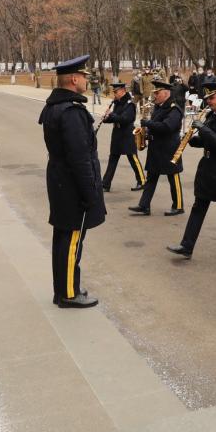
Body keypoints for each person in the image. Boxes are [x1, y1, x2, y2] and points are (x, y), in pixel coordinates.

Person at [38, 55, 105, 308]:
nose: (88, 81)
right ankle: (68, 293)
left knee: (63, 236)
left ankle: (65, 288)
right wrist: (90, 193)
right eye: (85, 77)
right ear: (74, 79)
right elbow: (80, 159)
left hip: (60, 180)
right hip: (72, 184)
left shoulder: (56, 107)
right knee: (72, 239)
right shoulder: (72, 112)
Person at [166, 82, 216, 260]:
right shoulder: (211, 115)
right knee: (198, 207)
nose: (209, 101)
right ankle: (186, 245)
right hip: (208, 167)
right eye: (207, 98)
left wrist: (203, 129)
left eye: (212, 98)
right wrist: (190, 139)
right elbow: (207, 140)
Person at [128, 80, 185, 216]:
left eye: (157, 93)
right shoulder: (159, 107)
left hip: (169, 149)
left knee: (173, 176)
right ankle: (144, 205)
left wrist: (148, 123)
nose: (155, 96)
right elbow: (156, 126)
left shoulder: (174, 109)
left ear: (166, 93)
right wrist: (146, 133)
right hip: (156, 147)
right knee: (151, 177)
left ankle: (178, 206)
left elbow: (167, 127)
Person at [100, 81, 147, 191]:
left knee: (133, 158)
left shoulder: (129, 104)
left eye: (116, 92)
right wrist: (106, 118)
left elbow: (126, 119)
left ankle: (142, 181)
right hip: (117, 134)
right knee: (113, 158)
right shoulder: (118, 102)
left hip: (127, 134)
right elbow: (115, 118)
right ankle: (105, 184)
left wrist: (112, 114)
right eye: (114, 92)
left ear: (122, 91)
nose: (114, 94)